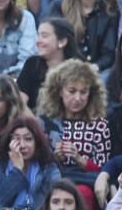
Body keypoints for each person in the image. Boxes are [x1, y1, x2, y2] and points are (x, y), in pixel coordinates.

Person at [36, 59, 113, 195]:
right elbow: (36, 163)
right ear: (60, 91)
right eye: (72, 91)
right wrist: (56, 158)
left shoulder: (98, 125)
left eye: (83, 92)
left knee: (82, 192)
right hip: (52, 181)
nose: (78, 98)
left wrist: (79, 159)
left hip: (86, 183)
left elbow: (103, 169)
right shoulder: (45, 122)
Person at [46, 0, 119, 71]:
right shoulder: (59, 7)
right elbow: (50, 46)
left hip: (97, 72)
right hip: (61, 71)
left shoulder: (111, 11)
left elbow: (108, 54)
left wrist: (93, 69)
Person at [17, 18, 80, 112]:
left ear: (62, 42)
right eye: (38, 36)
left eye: (44, 36)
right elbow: (20, 103)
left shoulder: (79, 69)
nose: (38, 41)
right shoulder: (32, 64)